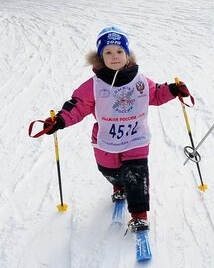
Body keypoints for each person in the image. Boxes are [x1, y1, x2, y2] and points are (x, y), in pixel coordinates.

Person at [36, 27, 192, 232]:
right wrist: (60, 121)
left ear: (127, 54)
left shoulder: (141, 81)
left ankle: (139, 215)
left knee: (136, 175)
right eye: (108, 52)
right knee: (108, 170)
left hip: (136, 138)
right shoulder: (94, 85)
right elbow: (78, 106)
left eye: (119, 51)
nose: (114, 56)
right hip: (107, 140)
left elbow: (155, 95)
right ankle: (118, 185)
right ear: (101, 57)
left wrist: (172, 90)